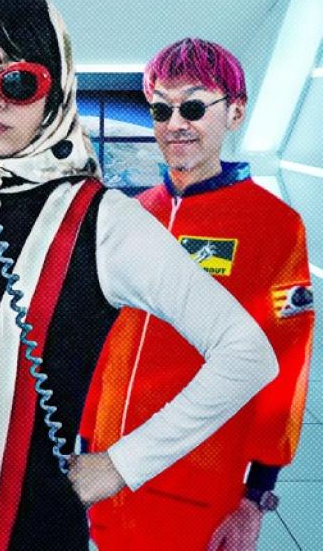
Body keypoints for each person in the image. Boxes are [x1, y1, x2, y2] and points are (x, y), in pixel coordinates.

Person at [0, 0, 278, 551]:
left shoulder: (102, 220)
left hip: (34, 529)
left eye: (19, 81)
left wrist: (123, 464)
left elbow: (247, 354)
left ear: (56, 90)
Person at [81, 38, 315, 551]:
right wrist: (83, 438)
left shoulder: (275, 225)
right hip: (106, 478)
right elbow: (104, 342)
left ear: (235, 112)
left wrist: (256, 495)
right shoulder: (131, 214)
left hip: (198, 488)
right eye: (160, 109)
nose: (174, 124)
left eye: (192, 107)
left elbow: (287, 360)